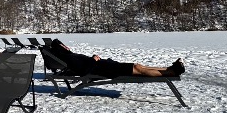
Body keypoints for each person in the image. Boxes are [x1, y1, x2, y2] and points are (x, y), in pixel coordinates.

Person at [49, 39, 185, 78]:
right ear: (60, 49)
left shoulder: (71, 55)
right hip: (105, 69)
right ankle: (171, 72)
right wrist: (93, 60)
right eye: (63, 46)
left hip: (105, 66)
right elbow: (84, 71)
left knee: (138, 66)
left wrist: (93, 59)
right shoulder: (69, 58)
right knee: (138, 68)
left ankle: (170, 69)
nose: (66, 47)